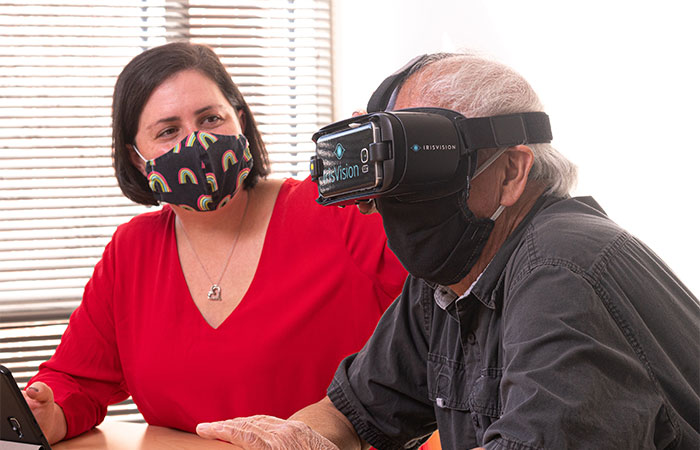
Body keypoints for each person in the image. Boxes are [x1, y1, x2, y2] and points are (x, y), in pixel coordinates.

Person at [195, 52, 700, 449]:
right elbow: (348, 412)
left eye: (424, 172)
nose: (390, 207)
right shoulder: (450, 280)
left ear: (510, 173)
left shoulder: (561, 269)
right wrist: (295, 440)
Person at [22, 42, 407, 444]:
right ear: (137, 158)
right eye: (168, 131)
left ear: (240, 120)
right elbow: (76, 381)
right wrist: (50, 415)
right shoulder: (131, 250)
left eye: (210, 118)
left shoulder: (338, 209)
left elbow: (447, 310)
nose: (196, 143)